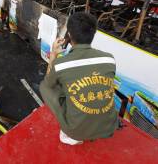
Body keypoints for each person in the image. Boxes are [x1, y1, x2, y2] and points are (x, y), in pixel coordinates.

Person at [39, 12, 118, 145]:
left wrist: (53, 55)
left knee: (45, 86)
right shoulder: (109, 58)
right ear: (93, 34)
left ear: (69, 35)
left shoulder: (62, 64)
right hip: (109, 126)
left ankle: (72, 135)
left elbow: (48, 84)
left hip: (76, 133)